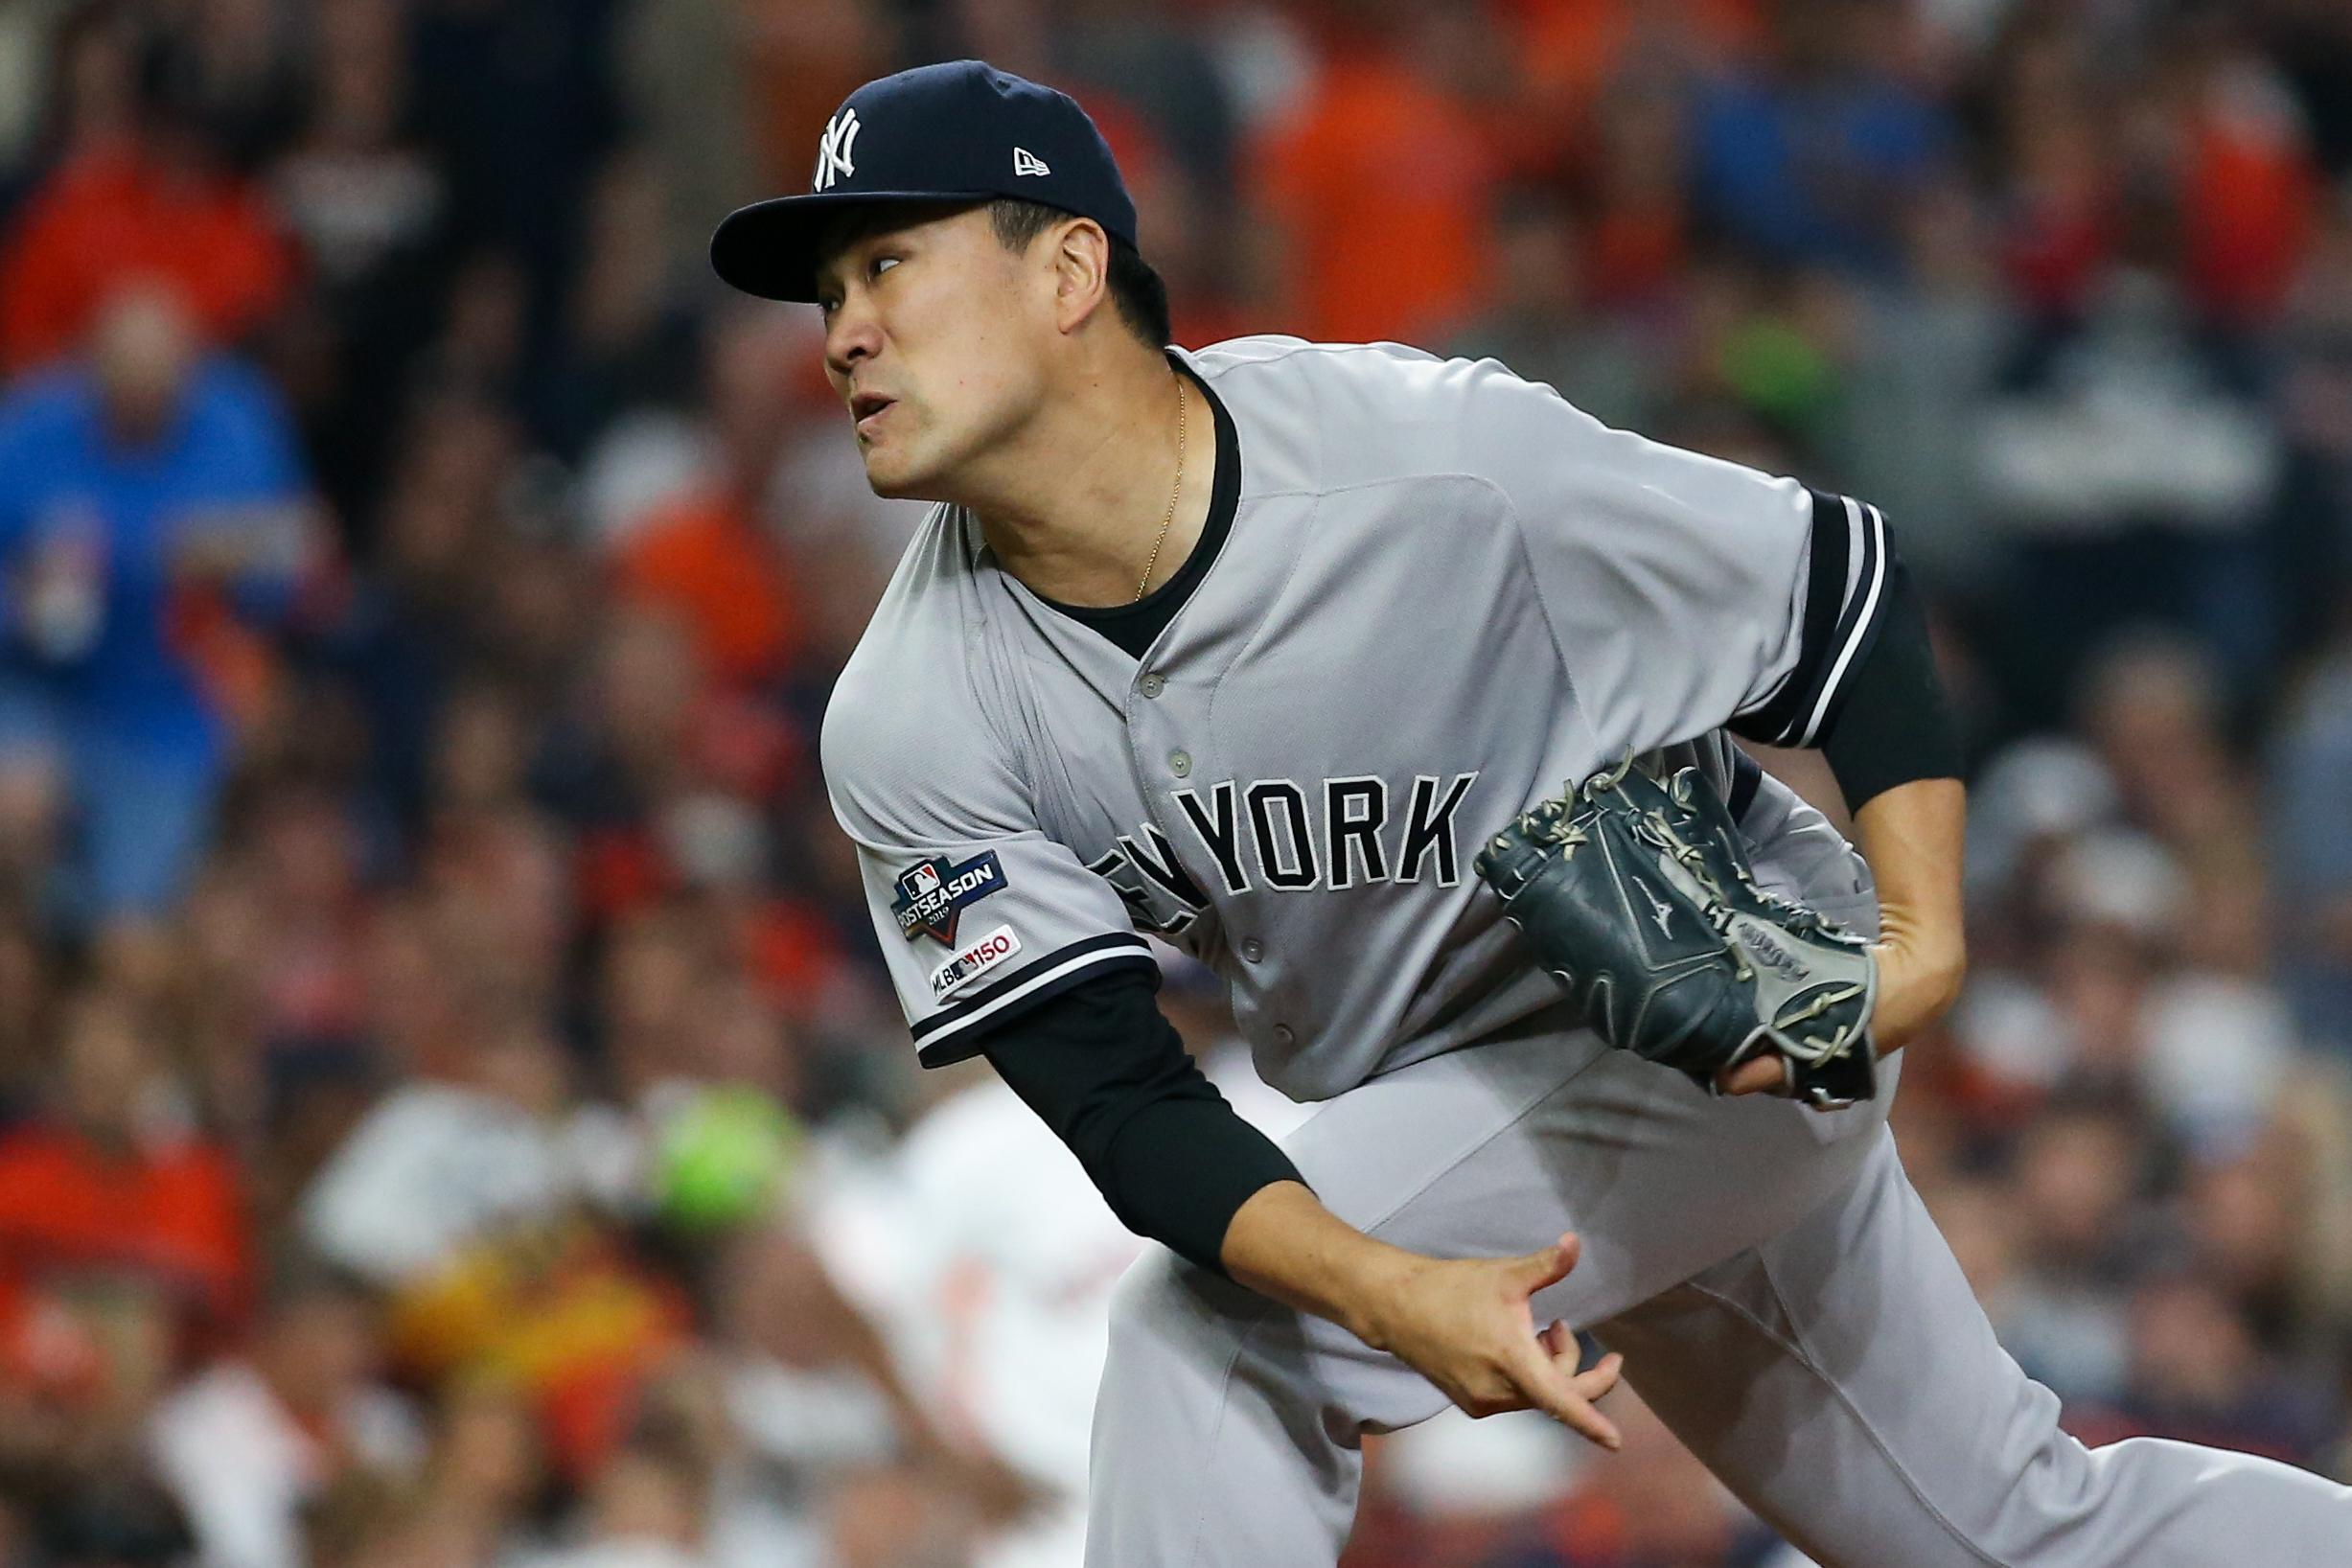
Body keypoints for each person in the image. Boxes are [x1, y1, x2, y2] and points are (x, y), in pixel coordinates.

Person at [709, 59, 2352, 1567]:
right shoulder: (915, 711)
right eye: (831, 291)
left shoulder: (1427, 464)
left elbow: (1834, 595)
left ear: (1067, 272)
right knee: (2012, 1535)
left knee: (1202, 1345)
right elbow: (1126, 1106)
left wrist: (1915, 953)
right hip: (1455, 1107)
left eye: (887, 265)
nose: (842, 328)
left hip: (1721, 1025)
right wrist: (1391, 1285)